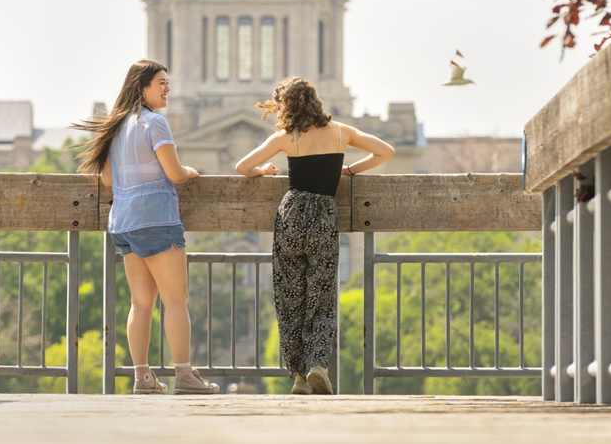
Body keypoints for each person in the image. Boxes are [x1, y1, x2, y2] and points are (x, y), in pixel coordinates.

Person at [235, 77, 395, 395]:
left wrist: (263, 171)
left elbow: (242, 166)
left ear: (288, 105)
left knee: (289, 298)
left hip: (292, 215)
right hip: (324, 215)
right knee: (321, 298)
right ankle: (317, 366)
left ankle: (297, 377)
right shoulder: (340, 132)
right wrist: (350, 170)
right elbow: (385, 152)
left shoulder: (286, 137)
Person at [74, 59, 219, 395]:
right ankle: (184, 376)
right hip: (156, 219)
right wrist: (192, 171)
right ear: (142, 87)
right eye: (161, 83)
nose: (167, 89)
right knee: (175, 301)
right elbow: (175, 174)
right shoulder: (154, 124)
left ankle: (143, 379)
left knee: (140, 304)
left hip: (122, 223)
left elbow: (108, 180)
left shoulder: (115, 126)